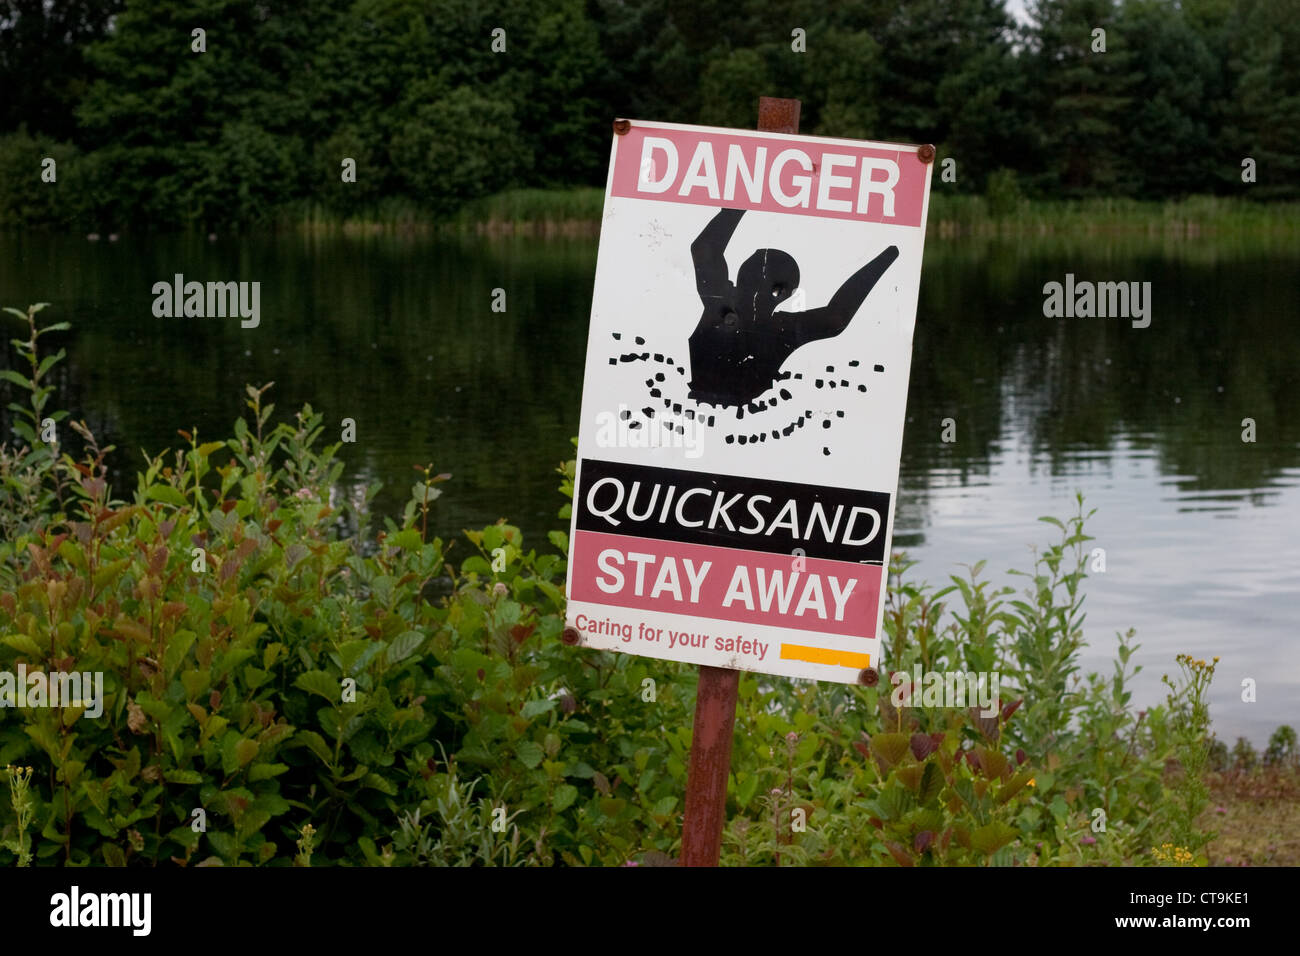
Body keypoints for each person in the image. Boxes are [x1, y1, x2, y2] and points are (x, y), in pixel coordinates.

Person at [687, 207, 898, 407]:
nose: (755, 288)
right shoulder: (773, 326)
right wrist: (888, 255)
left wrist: (888, 255)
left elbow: (705, 250)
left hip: (728, 411)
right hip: (722, 409)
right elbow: (836, 317)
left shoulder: (730, 306)